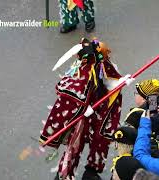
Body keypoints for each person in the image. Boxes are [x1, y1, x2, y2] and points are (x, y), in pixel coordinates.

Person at [39, 38, 123, 180]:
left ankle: (92, 170)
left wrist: (120, 82)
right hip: (83, 115)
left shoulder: (98, 65)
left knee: (99, 141)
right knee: (74, 146)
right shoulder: (84, 67)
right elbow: (69, 89)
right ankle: (64, 174)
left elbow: (112, 81)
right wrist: (84, 107)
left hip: (98, 110)